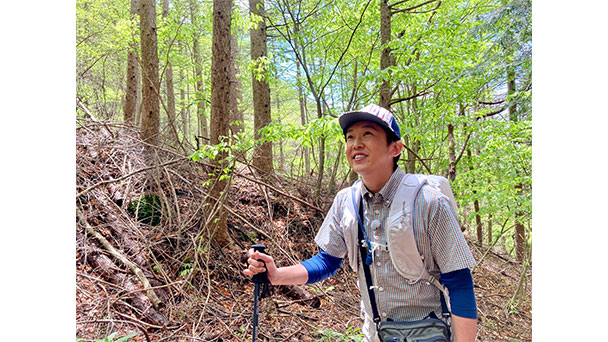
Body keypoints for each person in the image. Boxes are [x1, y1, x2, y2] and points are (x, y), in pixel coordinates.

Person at [244, 104, 477, 342]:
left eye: (367, 134)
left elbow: (459, 283)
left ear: (395, 148)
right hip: (374, 334)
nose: (356, 143)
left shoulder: (429, 202)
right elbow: (327, 261)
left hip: (429, 333)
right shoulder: (346, 201)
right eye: (350, 137)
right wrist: (276, 275)